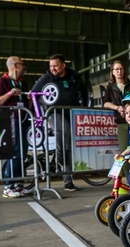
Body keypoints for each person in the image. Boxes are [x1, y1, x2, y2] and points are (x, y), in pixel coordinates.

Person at [31, 54, 88, 191]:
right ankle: (59, 154)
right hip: (54, 113)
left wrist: (84, 108)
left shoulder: (74, 76)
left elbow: (84, 92)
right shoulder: (46, 78)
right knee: (64, 131)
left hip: (71, 113)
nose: (53, 69)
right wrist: (38, 114)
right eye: (51, 66)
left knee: (69, 145)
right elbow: (33, 93)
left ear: (63, 65)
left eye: (55, 66)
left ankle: (67, 180)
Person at [0, 56, 31, 198]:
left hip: (24, 119)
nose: (24, 68)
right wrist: (10, 93)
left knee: (23, 153)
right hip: (11, 121)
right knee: (14, 152)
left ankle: (19, 185)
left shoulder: (23, 83)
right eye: (22, 65)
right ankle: (8, 186)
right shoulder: (1, 82)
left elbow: (27, 103)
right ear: (14, 65)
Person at [102, 60, 130, 152]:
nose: (119, 71)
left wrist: (128, 109)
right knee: (125, 150)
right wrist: (118, 108)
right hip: (121, 122)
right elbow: (105, 103)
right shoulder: (110, 88)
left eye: (121, 69)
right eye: (117, 69)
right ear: (113, 72)